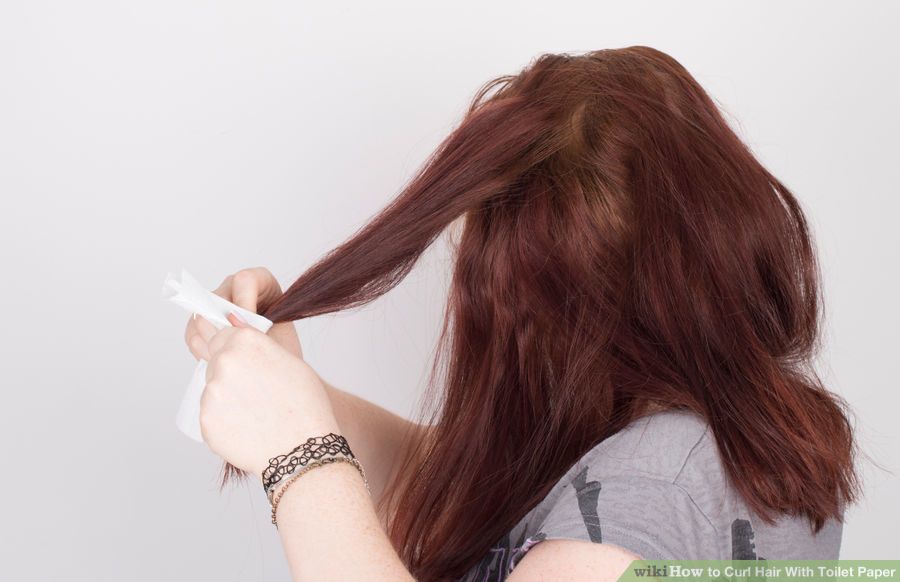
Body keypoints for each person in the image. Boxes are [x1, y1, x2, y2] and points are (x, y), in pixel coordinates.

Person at [182, 46, 859, 581]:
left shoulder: (656, 487)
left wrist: (301, 458)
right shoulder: (706, 440)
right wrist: (300, 397)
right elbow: (482, 500)